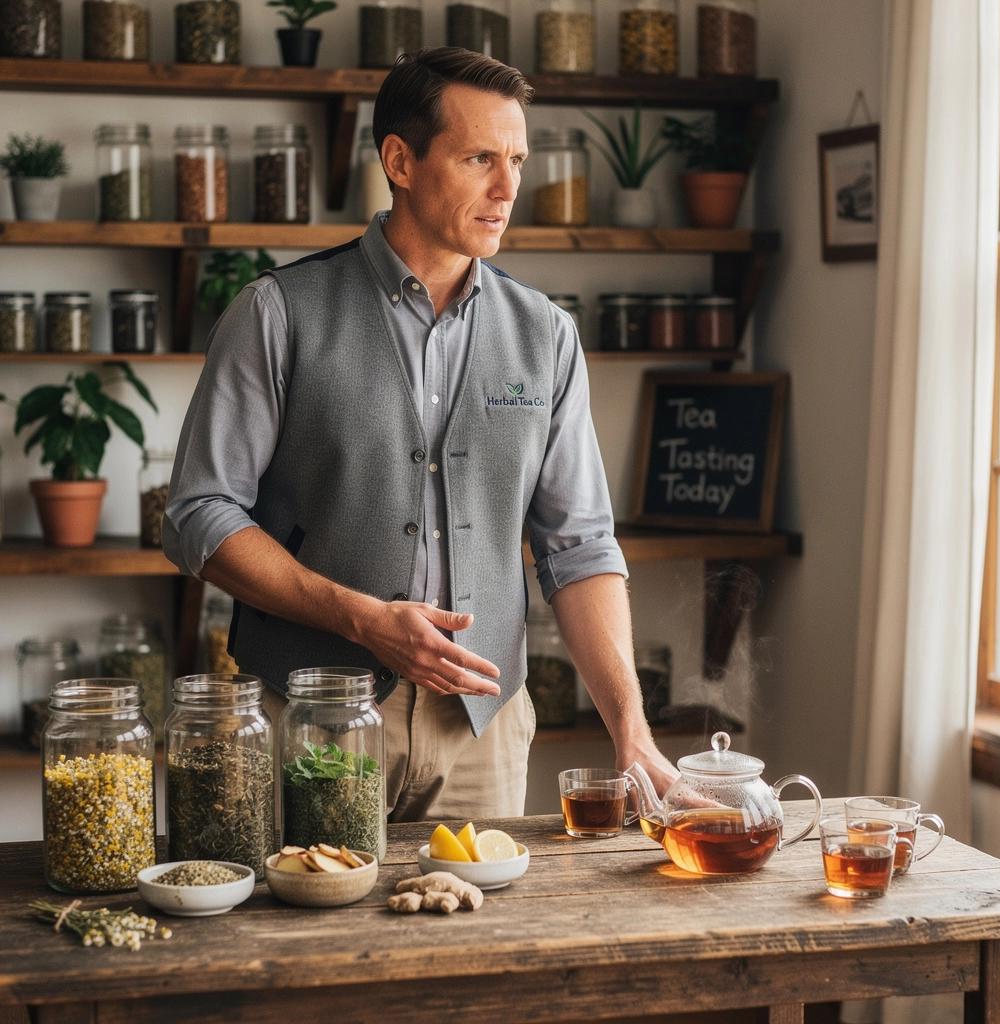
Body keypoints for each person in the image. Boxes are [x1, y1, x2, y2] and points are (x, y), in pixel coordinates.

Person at [163, 46, 680, 821]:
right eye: (480, 158)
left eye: (517, 160)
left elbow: (580, 548)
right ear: (400, 161)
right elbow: (198, 514)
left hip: (484, 731)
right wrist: (362, 619)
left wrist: (632, 731)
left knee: (476, 934)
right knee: (300, 937)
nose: (508, 189)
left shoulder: (547, 335)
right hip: (310, 718)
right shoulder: (277, 313)